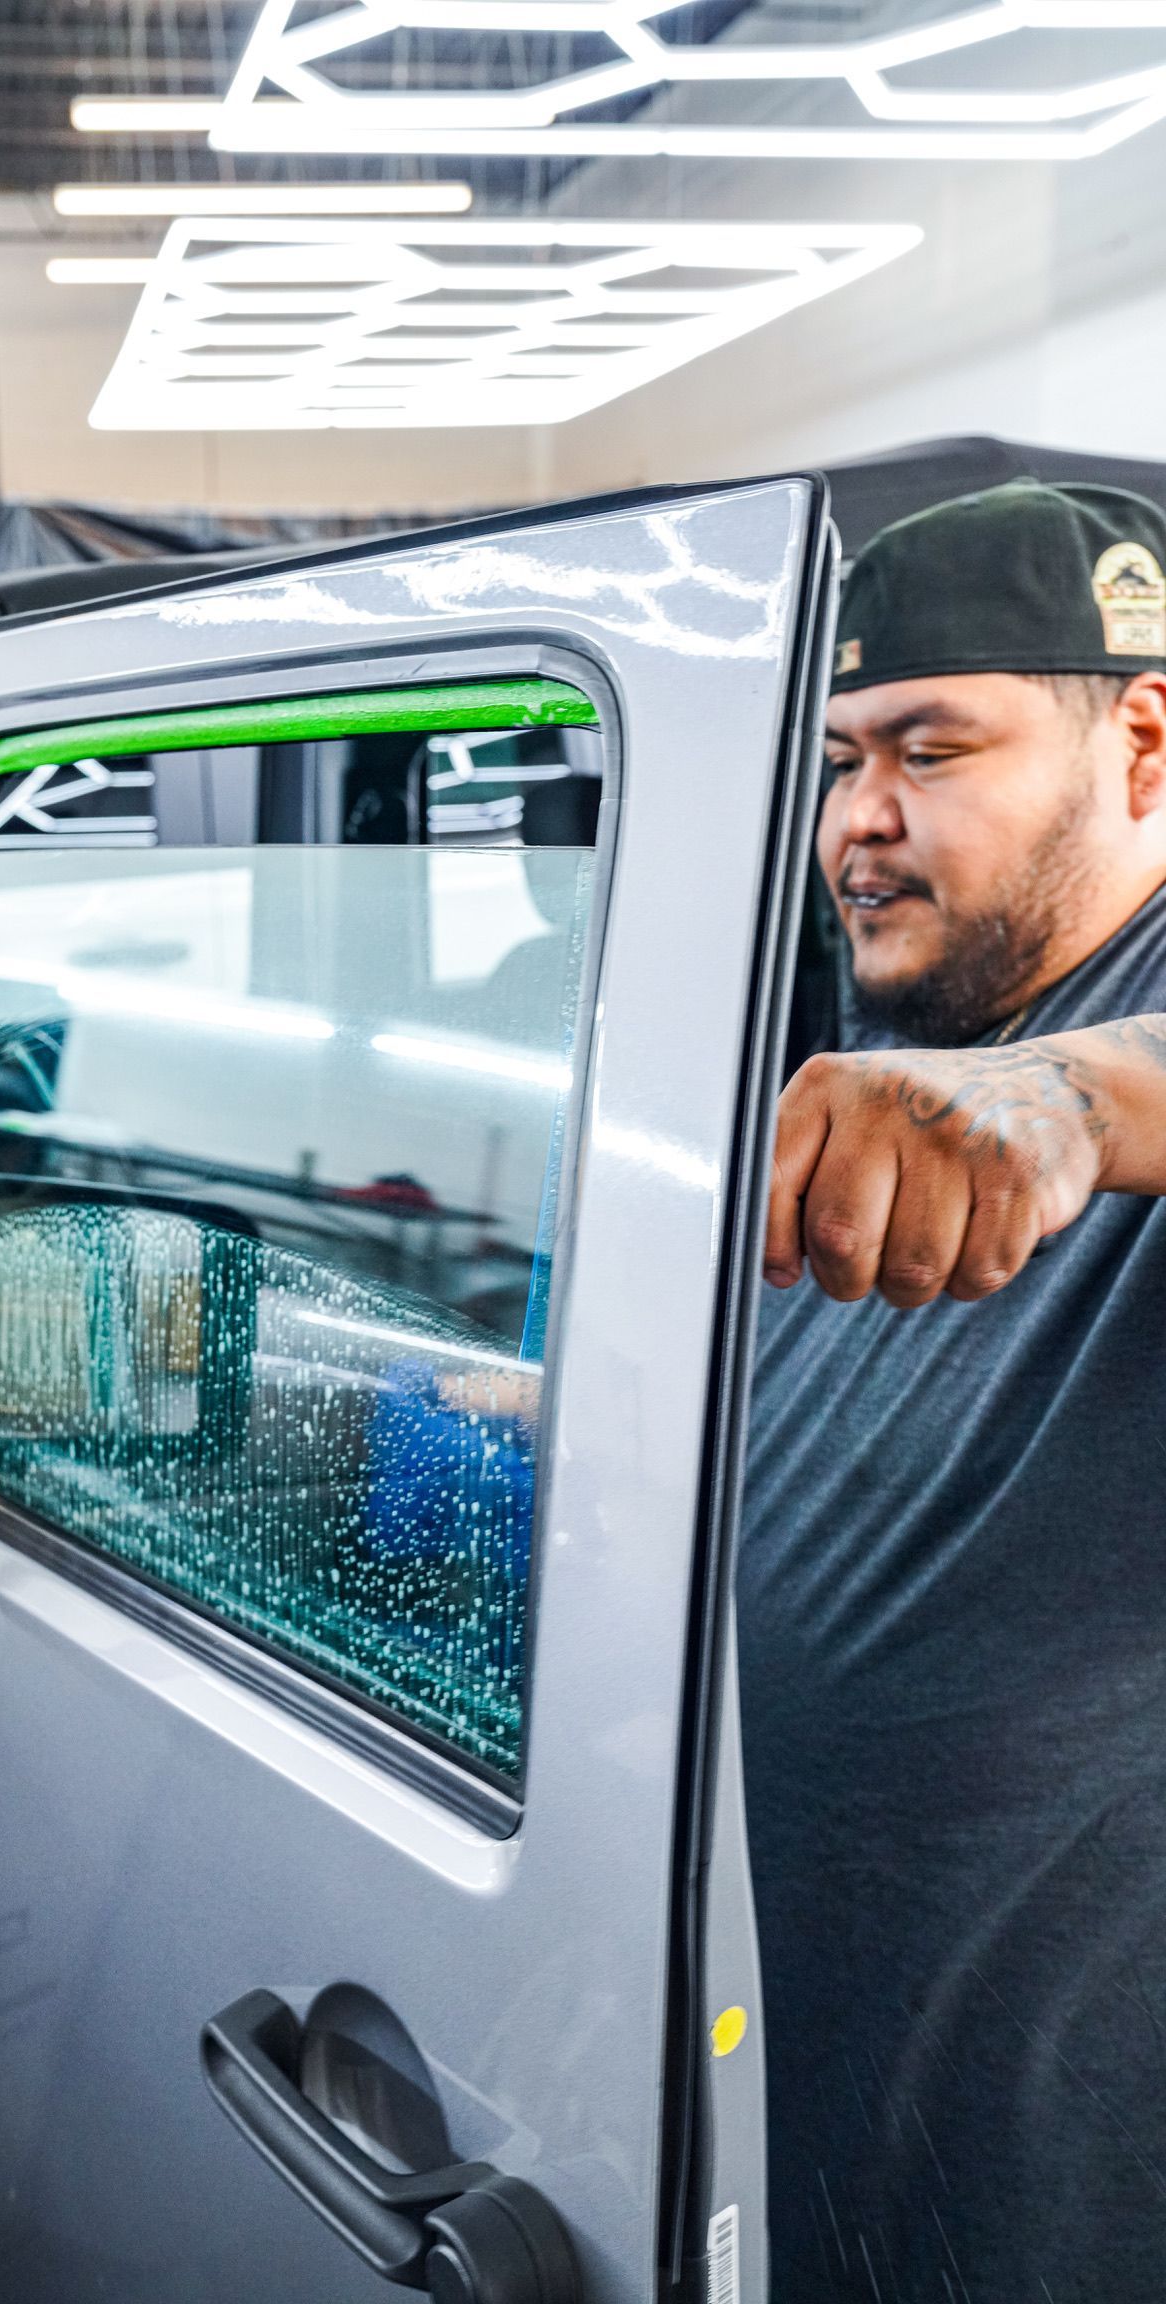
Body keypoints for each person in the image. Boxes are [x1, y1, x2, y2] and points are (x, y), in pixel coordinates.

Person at [739, 479, 1166, 2303]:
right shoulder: (894, 1043)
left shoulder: (1084, 1058)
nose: (861, 819)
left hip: (1051, 2202)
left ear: (1143, 745)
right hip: (804, 2147)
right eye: (839, 762)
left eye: (930, 749)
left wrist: (1070, 1099)